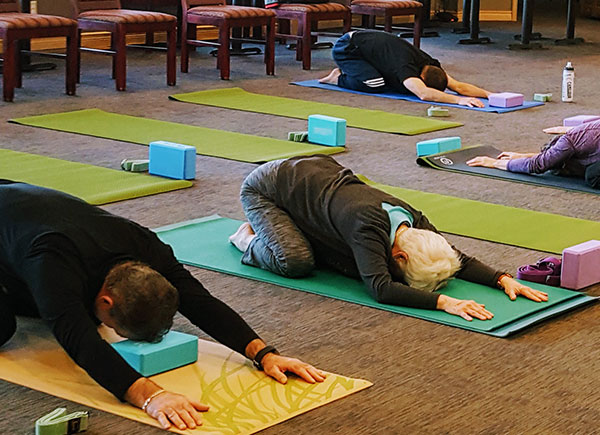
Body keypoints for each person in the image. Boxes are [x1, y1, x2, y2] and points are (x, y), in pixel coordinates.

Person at [0, 180, 325, 431]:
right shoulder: (52, 260)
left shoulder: (146, 246)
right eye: (117, 326)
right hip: (19, 217)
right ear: (107, 299)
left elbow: (200, 303)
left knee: (63, 305)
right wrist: (151, 396)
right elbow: (81, 342)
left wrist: (264, 353)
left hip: (24, 222)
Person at [229, 155, 548, 321]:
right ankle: (250, 238)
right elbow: (380, 288)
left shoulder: (417, 224)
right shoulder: (366, 228)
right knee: (297, 260)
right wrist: (444, 302)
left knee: (340, 256)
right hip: (266, 188)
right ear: (400, 257)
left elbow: (454, 257)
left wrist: (502, 279)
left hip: (313, 178)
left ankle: (291, 225)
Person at [318, 29, 492, 108]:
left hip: (372, 48)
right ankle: (337, 77)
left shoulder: (430, 63)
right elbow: (424, 94)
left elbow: (458, 86)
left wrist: (490, 95)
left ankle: (360, 70)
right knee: (375, 83)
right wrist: (458, 101)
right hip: (348, 48)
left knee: (392, 82)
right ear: (419, 77)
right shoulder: (406, 69)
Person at [466, 120, 600, 188]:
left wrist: (495, 163)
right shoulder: (576, 142)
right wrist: (523, 156)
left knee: (593, 175)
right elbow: (543, 160)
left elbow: (538, 165)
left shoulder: (571, 140)